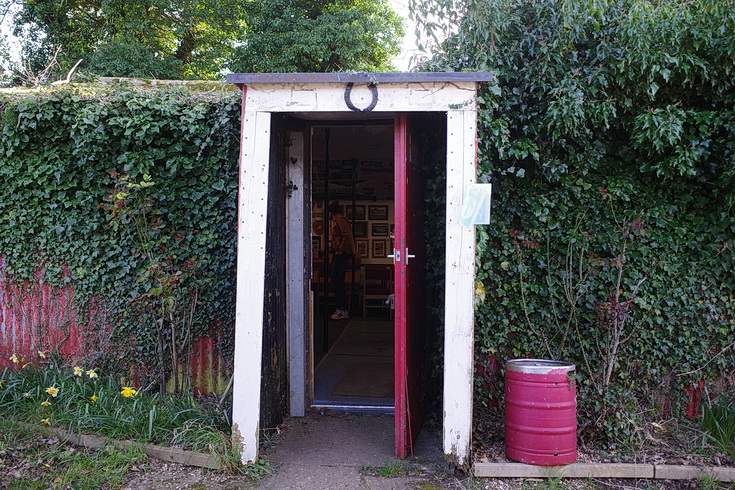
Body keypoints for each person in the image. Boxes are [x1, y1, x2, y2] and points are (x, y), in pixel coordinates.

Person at [328, 202, 355, 320]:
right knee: (337, 281)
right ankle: (341, 309)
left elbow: (346, 235)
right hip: (341, 253)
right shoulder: (339, 220)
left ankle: (341, 309)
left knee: (336, 280)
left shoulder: (340, 219)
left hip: (341, 254)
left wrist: (340, 249)